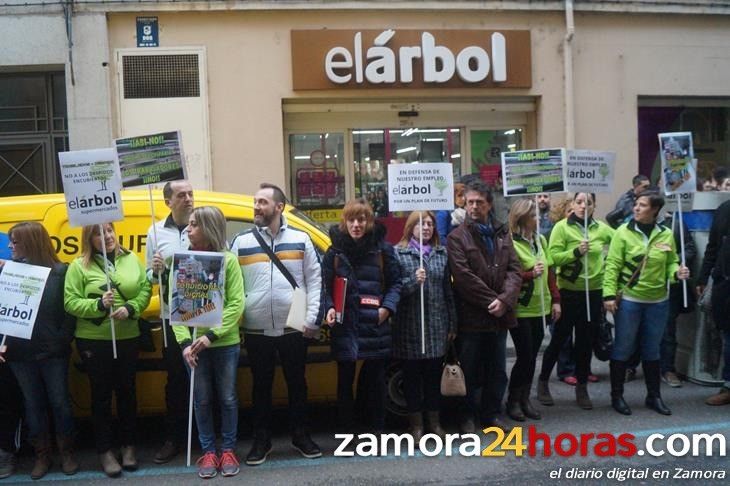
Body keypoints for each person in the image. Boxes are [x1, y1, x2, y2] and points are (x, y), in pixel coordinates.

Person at [230, 183, 323, 466]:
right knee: (261, 387)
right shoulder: (241, 241)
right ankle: (261, 440)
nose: (256, 207)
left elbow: (315, 281)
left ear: (279, 207)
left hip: (293, 328)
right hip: (256, 330)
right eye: (255, 202)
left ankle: (300, 435)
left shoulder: (301, 238)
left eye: (262, 202)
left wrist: (311, 319)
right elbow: (229, 284)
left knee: (297, 384)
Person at [64, 223, 151, 477]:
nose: (107, 236)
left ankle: (129, 447)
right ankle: (104, 451)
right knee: (101, 396)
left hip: (127, 336)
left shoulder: (131, 258)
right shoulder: (78, 266)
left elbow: (145, 288)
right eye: (98, 233)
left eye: (110, 230)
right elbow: (70, 302)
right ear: (88, 239)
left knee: (127, 392)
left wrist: (132, 308)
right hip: (94, 340)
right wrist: (99, 305)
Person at [0, 223, 77, 479]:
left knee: (60, 403)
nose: (10, 246)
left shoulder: (60, 272)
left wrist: (61, 341)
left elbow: (70, 313)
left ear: (31, 243)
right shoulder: (8, 272)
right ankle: (42, 455)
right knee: (33, 405)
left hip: (53, 352)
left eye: (15, 242)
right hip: (19, 354)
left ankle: (67, 453)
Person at [603, 192, 690, 415]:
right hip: (630, 300)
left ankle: (654, 396)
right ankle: (617, 396)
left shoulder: (666, 234)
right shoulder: (623, 232)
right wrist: (609, 296)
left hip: (658, 302)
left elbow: (671, 263)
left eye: (642, 205)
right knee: (623, 347)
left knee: (653, 349)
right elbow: (612, 264)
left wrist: (677, 272)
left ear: (655, 210)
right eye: (636, 204)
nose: (636, 208)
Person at [173, 206, 244, 478]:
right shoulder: (184, 261)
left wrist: (210, 335)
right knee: (201, 400)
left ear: (209, 228)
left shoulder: (229, 261)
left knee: (227, 398)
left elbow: (237, 304)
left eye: (193, 225)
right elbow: (175, 307)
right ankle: (208, 452)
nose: (188, 230)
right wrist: (184, 345)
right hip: (193, 346)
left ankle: (228, 449)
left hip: (224, 343)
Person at [447, 180, 522, 432]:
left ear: (489, 204)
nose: (474, 206)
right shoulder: (457, 237)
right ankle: (466, 416)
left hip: (499, 317)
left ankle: (491, 413)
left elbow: (515, 269)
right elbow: (464, 277)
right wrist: (493, 300)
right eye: (470, 202)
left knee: (497, 369)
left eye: (479, 202)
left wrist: (505, 300)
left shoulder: (503, 233)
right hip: (472, 316)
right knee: (468, 369)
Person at [322, 198, 401, 434]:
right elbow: (323, 287)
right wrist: (328, 307)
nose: (356, 224)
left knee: (376, 385)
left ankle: (377, 433)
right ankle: (347, 433)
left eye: (362, 219)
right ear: (344, 222)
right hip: (345, 326)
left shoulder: (382, 250)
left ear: (369, 222)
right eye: (351, 219)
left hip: (374, 325)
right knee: (344, 384)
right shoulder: (334, 252)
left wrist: (386, 309)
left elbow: (396, 283)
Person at [538, 193, 614, 410]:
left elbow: (619, 243)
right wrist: (575, 251)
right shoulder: (562, 227)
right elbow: (553, 258)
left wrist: (608, 265)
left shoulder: (600, 228)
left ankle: (582, 387)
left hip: (593, 293)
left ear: (594, 206)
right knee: (559, 340)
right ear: (572, 204)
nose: (583, 206)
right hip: (567, 293)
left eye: (588, 203)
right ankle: (543, 382)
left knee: (585, 342)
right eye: (579, 202)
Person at [393, 211, 456, 440]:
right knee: (411, 379)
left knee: (432, 378)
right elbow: (394, 290)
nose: (426, 228)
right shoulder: (398, 253)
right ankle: (416, 425)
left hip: (436, 325)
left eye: (429, 224)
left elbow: (448, 292)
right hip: (409, 327)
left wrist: (452, 323)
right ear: (411, 227)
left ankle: (434, 422)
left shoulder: (442, 253)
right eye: (421, 224)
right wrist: (412, 281)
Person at [145, 180, 194, 464]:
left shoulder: (203, 223)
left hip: (204, 314)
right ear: (167, 202)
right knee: (175, 381)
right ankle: (174, 438)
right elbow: (148, 279)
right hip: (172, 318)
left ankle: (206, 439)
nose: (188, 199)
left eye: (190, 194)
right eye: (181, 195)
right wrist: (155, 272)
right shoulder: (155, 231)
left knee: (204, 379)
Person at [505, 199, 561, 422]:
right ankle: (513, 401)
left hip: (542, 307)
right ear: (523, 218)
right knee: (525, 356)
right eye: (535, 216)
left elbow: (550, 272)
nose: (539, 219)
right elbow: (507, 276)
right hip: (521, 308)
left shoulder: (540, 240)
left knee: (532, 357)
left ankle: (525, 399)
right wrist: (529, 274)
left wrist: (556, 300)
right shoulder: (510, 243)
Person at [697, 198, 730, 406]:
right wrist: (703, 276)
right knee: (728, 336)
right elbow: (713, 246)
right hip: (725, 283)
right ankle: (728, 385)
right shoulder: (724, 209)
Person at [659, 211, 696, 387]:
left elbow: (690, 248)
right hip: (641, 287)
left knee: (667, 330)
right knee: (636, 330)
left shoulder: (674, 224)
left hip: (669, 286)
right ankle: (630, 366)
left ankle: (667, 369)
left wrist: (673, 261)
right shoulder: (632, 224)